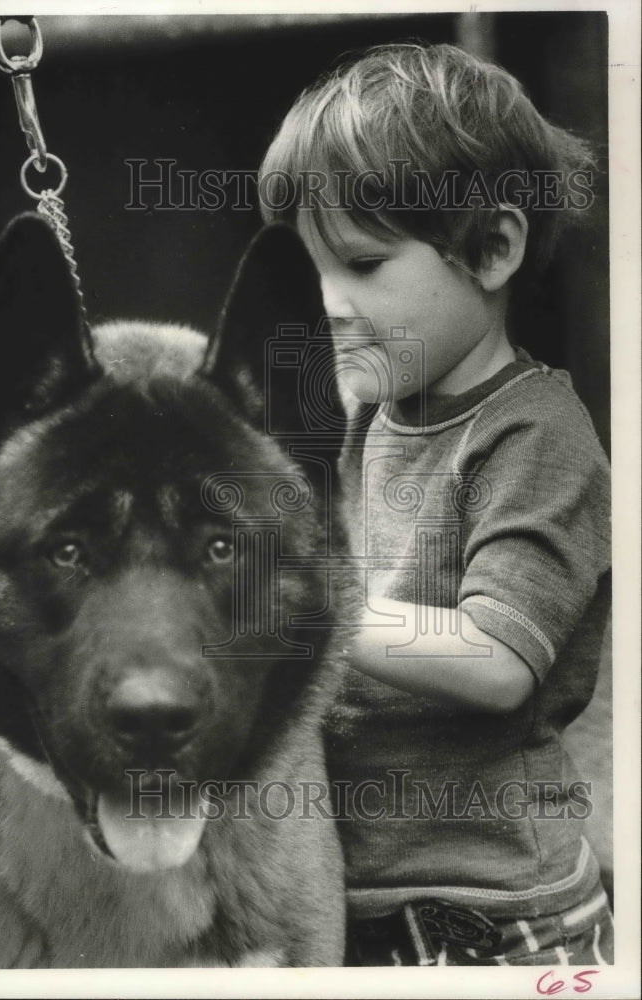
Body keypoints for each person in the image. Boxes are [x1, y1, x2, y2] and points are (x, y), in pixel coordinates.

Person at [259, 42, 612, 966]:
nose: (329, 305)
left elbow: (497, 659)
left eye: (365, 265)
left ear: (492, 249)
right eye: (313, 272)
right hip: (357, 893)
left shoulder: (537, 435)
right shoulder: (370, 414)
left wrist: (309, 608)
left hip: (500, 918)